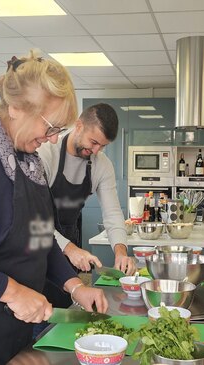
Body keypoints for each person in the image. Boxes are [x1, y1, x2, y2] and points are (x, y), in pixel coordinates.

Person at [0, 51, 108, 365]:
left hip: (17, 333)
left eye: (58, 131)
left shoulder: (28, 162)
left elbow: (40, 238)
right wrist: (11, 291)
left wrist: (75, 287)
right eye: (51, 127)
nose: (52, 140)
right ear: (16, 107)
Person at [38, 103, 136, 307]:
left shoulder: (102, 165)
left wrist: (121, 252)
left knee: (64, 306)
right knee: (39, 311)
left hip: (68, 243)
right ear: (79, 125)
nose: (96, 150)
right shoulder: (47, 153)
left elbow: (113, 213)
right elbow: (34, 218)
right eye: (94, 142)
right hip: (36, 243)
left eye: (103, 145)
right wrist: (69, 248)